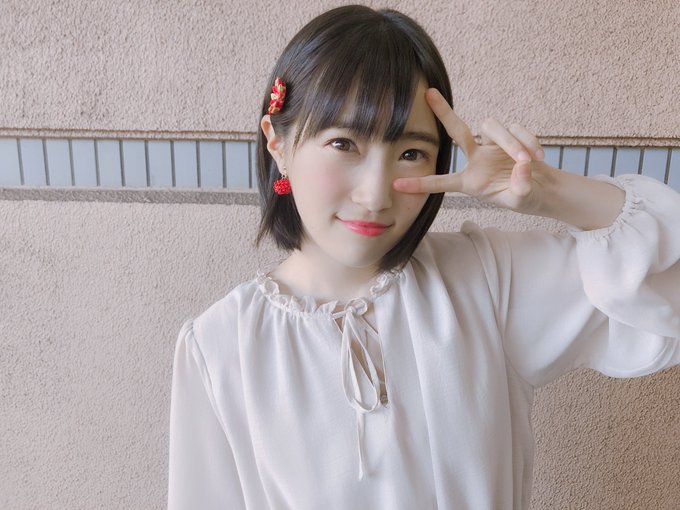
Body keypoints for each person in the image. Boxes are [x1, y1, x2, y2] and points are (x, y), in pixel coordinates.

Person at [167, 5, 680, 509]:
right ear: (277, 144)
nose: (375, 195)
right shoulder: (220, 347)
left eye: (411, 153)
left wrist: (549, 192)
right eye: (344, 143)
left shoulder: (487, 281)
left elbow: (667, 297)